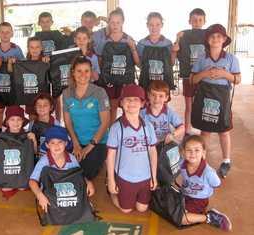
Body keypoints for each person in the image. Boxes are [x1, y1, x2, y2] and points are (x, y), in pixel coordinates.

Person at [191, 24, 241, 178]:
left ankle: (226, 161)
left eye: (219, 36)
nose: (216, 39)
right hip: (205, 94)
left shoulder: (231, 59)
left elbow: (237, 79)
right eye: (212, 36)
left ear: (224, 39)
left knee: (223, 130)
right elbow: (193, 80)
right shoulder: (201, 58)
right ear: (207, 40)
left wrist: (224, 74)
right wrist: (205, 73)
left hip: (222, 96)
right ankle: (202, 159)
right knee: (205, 130)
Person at [106, 84, 158, 213]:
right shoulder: (116, 127)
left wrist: (154, 176)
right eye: (127, 99)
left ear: (142, 104)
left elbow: (153, 152)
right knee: (126, 210)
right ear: (121, 103)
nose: (132, 103)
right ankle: (111, 192)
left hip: (145, 176)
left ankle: (129, 195)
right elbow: (111, 155)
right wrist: (111, 180)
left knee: (142, 208)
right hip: (125, 176)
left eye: (136, 99)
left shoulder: (148, 126)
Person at [63, 56, 110, 180]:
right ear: (73, 72)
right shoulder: (67, 93)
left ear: (91, 72)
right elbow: (67, 122)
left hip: (97, 143)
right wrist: (76, 143)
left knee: (82, 174)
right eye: (79, 71)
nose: (83, 74)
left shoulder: (100, 92)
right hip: (76, 142)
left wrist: (90, 147)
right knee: (64, 168)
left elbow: (105, 123)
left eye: (86, 71)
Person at [29, 126, 95, 213]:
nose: (56, 145)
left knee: (86, 191)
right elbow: (32, 181)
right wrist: (39, 195)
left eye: (60, 142)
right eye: (52, 143)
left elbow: (79, 175)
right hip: (50, 190)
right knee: (54, 209)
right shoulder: (44, 160)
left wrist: (88, 182)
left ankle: (81, 203)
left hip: (67, 188)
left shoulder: (71, 158)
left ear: (66, 143)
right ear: (47, 145)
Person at [94, 8, 140, 124]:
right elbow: (100, 60)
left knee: (127, 106)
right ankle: (111, 131)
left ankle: (128, 128)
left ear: (123, 22)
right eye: (112, 22)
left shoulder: (128, 39)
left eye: (118, 22)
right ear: (108, 23)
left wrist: (132, 47)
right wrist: (102, 78)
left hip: (125, 79)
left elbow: (138, 63)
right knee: (112, 106)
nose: (115, 25)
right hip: (109, 79)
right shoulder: (104, 40)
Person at [179, 135, 232, 231]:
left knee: (182, 219)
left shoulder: (208, 172)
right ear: (183, 152)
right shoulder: (182, 164)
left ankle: (209, 217)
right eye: (189, 150)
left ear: (203, 153)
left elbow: (217, 184)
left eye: (197, 150)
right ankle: (194, 215)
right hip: (184, 195)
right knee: (172, 209)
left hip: (199, 200)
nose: (192, 153)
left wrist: (204, 190)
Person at [172, 8, 207, 135]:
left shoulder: (208, 35)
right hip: (188, 75)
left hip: (204, 77)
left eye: (200, 20)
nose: (197, 22)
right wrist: (178, 37)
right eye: (194, 20)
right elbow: (176, 49)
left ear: (204, 21)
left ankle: (204, 129)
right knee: (189, 105)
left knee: (204, 105)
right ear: (189, 21)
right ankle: (187, 129)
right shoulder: (183, 35)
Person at [0, 105, 37, 192]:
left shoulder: (27, 135)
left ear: (23, 121)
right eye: (12, 119)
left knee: (22, 187)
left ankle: (18, 180)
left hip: (23, 168)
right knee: (6, 188)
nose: (16, 123)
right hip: (8, 168)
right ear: (7, 121)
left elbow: (34, 153)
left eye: (19, 119)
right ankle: (9, 180)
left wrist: (34, 140)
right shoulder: (2, 137)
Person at [7, 37, 50, 120]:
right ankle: (32, 132)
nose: (35, 49)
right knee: (32, 117)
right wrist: (10, 63)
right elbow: (10, 71)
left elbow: (51, 75)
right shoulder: (23, 63)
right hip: (29, 96)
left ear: (41, 48)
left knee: (44, 117)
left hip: (42, 97)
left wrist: (48, 63)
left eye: (37, 47)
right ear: (28, 48)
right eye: (32, 47)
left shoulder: (45, 60)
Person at [0, 21, 25, 133]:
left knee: (13, 110)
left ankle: (13, 131)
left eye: (7, 32)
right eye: (2, 32)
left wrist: (16, 61)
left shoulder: (16, 49)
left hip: (13, 86)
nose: (5, 34)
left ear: (12, 33)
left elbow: (23, 64)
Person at [141, 80, 184, 154]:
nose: (156, 99)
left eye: (161, 96)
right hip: (148, 145)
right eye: (153, 95)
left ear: (166, 98)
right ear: (148, 95)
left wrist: (172, 135)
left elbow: (182, 127)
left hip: (165, 144)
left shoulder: (169, 112)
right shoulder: (142, 113)